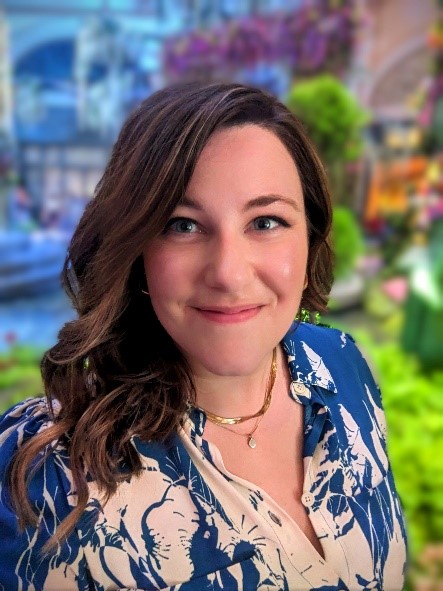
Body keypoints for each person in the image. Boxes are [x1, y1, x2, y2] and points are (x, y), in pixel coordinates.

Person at [0, 81, 407, 590]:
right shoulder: (48, 471)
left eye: (265, 221)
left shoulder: (343, 366)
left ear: (310, 240)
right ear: (137, 251)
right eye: (182, 225)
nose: (229, 274)